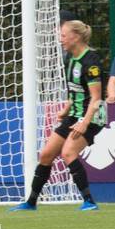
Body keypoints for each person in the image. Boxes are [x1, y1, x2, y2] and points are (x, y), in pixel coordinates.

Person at [11, 20, 104, 212]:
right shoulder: (70, 59)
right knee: (46, 155)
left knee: (68, 153)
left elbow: (96, 98)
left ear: (76, 37)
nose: (59, 39)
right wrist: (66, 107)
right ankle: (31, 203)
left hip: (93, 116)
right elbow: (75, 91)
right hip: (74, 113)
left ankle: (89, 202)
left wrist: (84, 123)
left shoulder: (91, 61)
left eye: (63, 35)